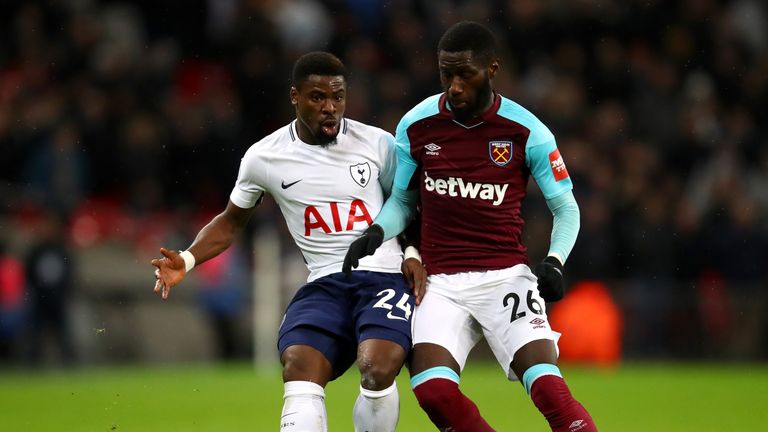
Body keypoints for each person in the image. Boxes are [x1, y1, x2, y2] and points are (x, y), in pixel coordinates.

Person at [151, 51, 426, 432]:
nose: (330, 108)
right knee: (298, 364)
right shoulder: (265, 157)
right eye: (318, 98)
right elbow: (231, 222)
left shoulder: (377, 143)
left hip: (382, 276)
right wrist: (187, 258)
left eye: (338, 97)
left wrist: (412, 253)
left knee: (377, 367)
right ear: (295, 97)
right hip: (324, 284)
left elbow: (408, 206)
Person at [344, 21, 597, 431]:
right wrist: (376, 232)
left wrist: (554, 260)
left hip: (506, 278)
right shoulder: (416, 125)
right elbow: (404, 201)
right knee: (433, 392)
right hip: (440, 283)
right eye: (447, 74)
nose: (455, 86)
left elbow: (566, 207)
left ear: (492, 69)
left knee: (549, 389)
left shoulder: (527, 131)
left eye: (465, 74)